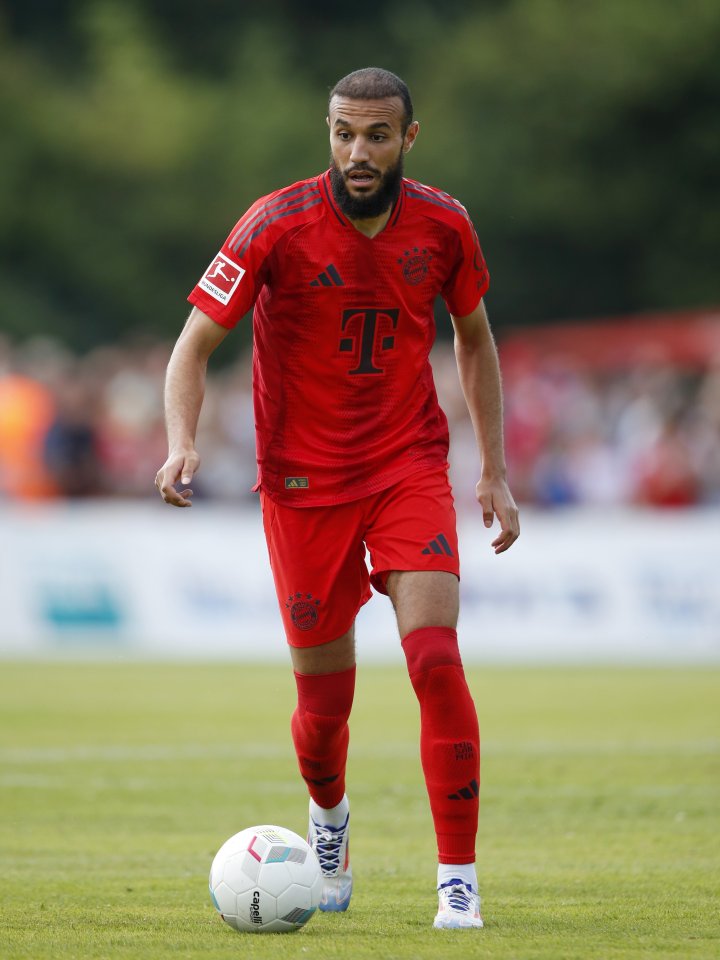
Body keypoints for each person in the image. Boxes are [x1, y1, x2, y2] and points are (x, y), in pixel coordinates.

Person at [156, 67, 519, 930]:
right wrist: (180, 440)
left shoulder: (445, 224)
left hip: (406, 466)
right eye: (343, 134)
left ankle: (457, 883)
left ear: (408, 138)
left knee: (435, 659)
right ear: (328, 132)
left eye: (377, 136)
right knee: (323, 715)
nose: (358, 152)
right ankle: (329, 825)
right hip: (301, 485)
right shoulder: (274, 224)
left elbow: (474, 340)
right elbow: (193, 343)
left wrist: (494, 469)